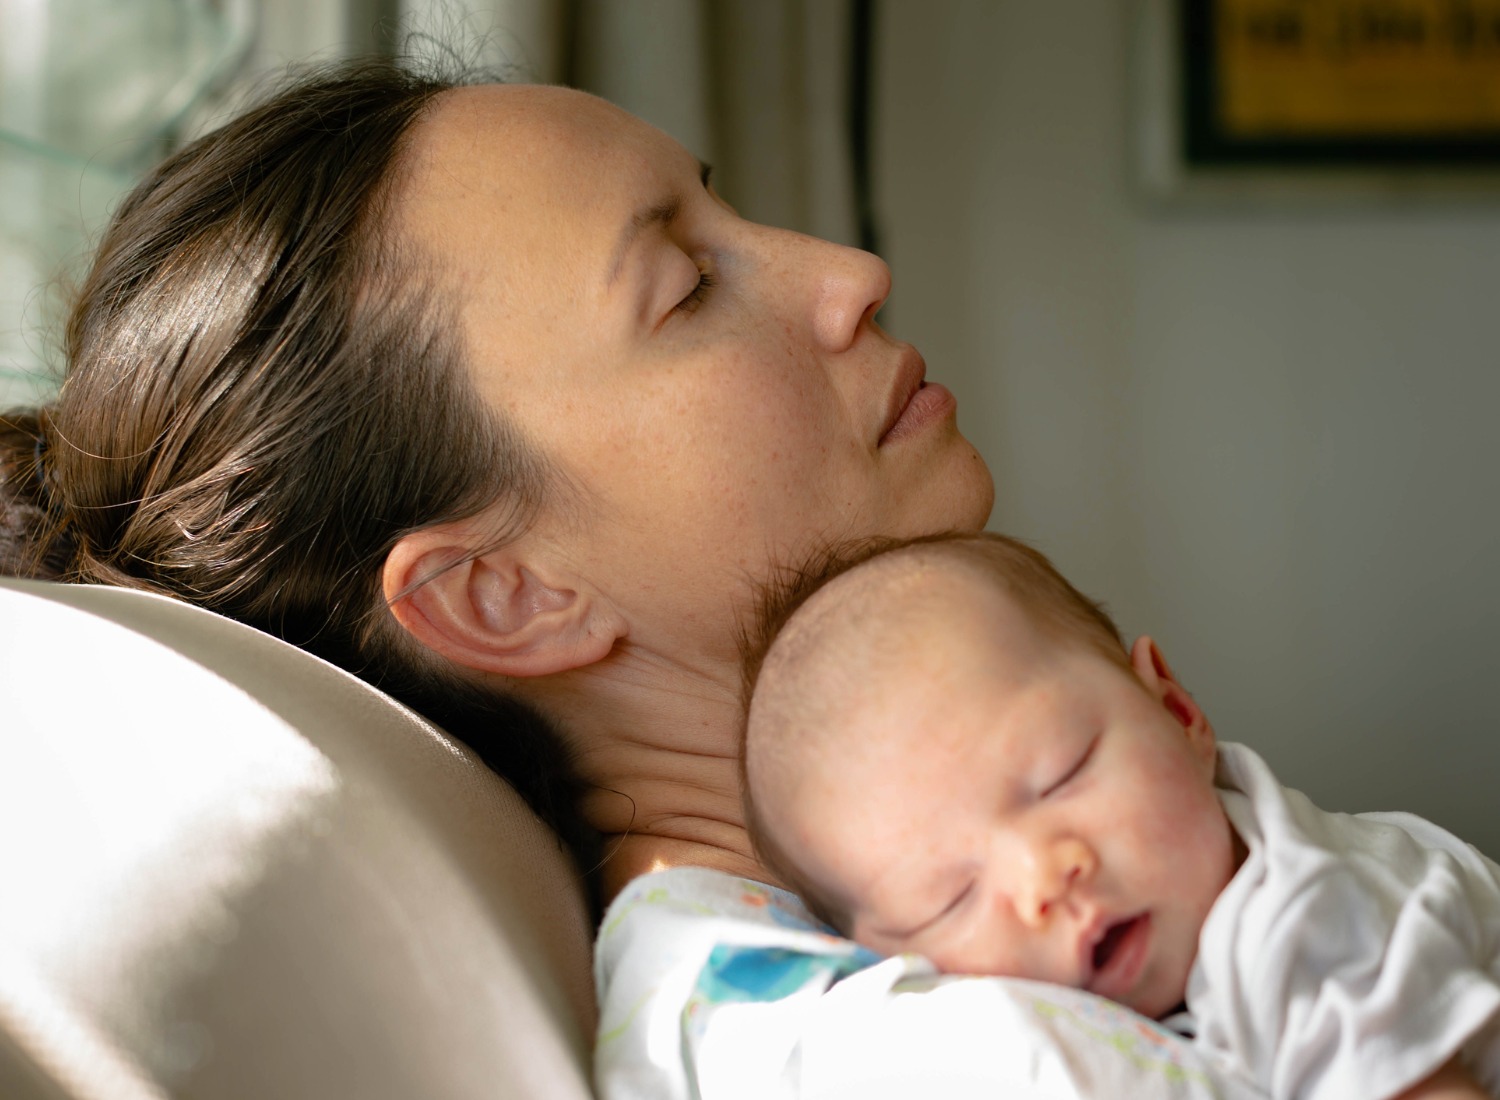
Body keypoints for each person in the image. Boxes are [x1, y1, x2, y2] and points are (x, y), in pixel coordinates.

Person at [3, 59, 1255, 1099]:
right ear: (506, 594)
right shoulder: (828, 1053)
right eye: (689, 287)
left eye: (725, 216)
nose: (847, 272)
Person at [741, 530, 1500, 1100]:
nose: (1047, 875)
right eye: (951, 897)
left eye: (1062, 774)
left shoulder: (1301, 927)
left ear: (1174, 710)